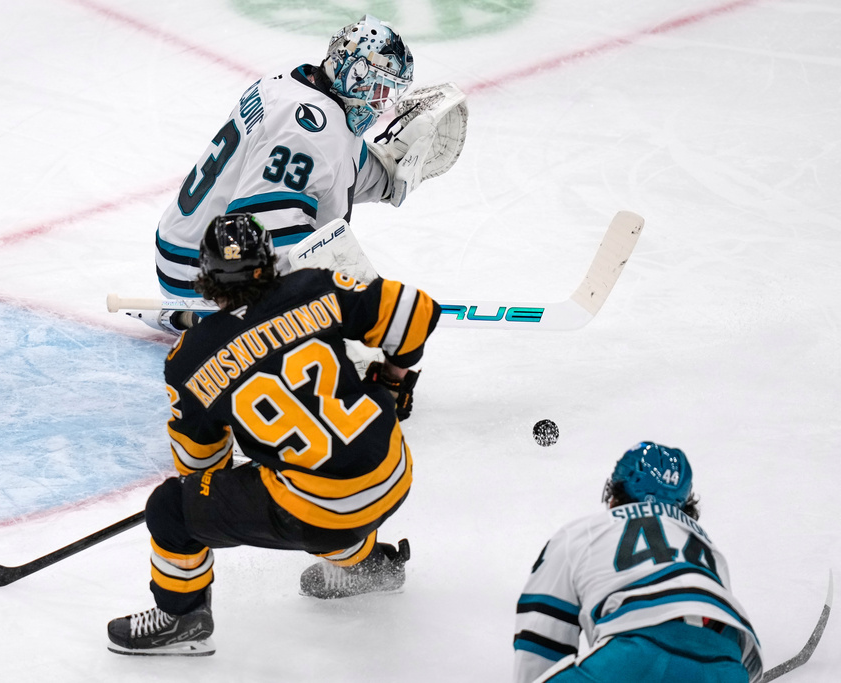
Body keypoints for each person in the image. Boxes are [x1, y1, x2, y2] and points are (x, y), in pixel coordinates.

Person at [107, 213, 440, 656]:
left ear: (206, 278)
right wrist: (393, 383)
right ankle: (369, 567)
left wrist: (224, 480)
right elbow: (415, 312)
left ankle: (181, 617)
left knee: (173, 509)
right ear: (269, 261)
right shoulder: (314, 287)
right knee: (306, 482)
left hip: (321, 511)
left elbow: (200, 465)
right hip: (393, 471)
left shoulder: (190, 361)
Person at [154, 14, 461, 330]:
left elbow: (330, 166)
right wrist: (356, 299)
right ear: (355, 74)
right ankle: (200, 318)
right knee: (350, 340)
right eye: (380, 88)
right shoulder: (306, 129)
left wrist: (388, 173)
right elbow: (268, 227)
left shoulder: (302, 83)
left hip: (184, 242)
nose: (383, 102)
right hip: (203, 274)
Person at [513, 442, 763, 682]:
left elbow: (540, 640)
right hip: (729, 666)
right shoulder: (707, 546)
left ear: (615, 495)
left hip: (636, 655)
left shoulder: (583, 532)